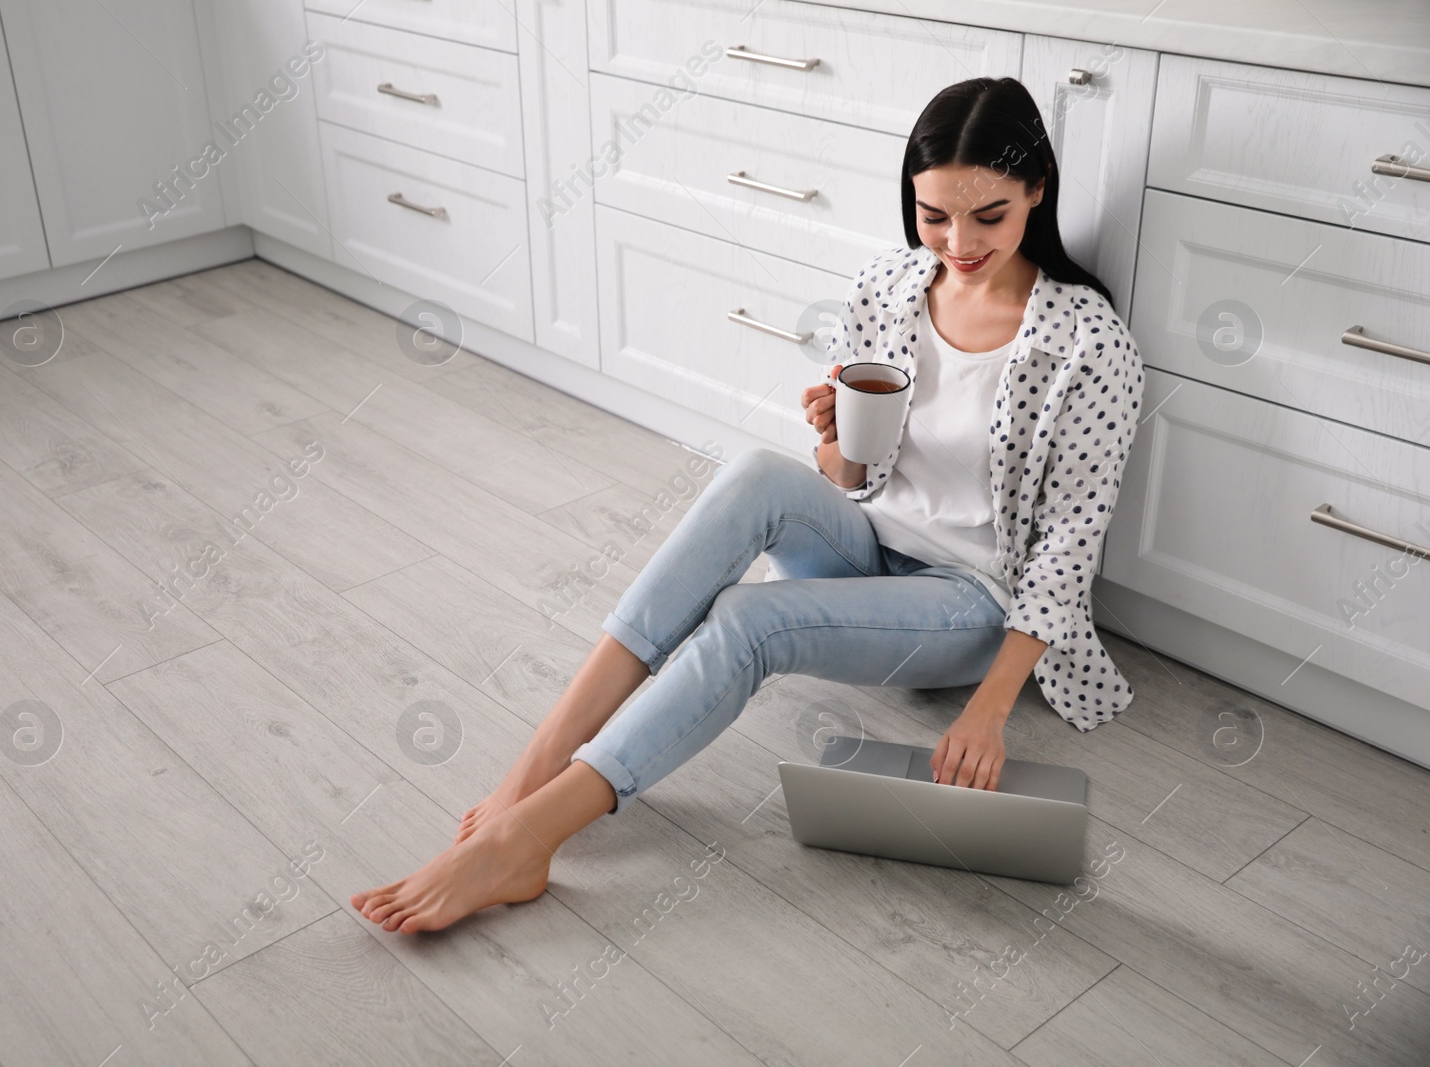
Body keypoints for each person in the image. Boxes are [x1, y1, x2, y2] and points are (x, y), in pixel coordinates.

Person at [352, 76, 1145, 934]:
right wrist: (836, 436)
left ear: (1037, 190)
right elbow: (847, 478)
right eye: (933, 215)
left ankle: (529, 837)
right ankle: (534, 765)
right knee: (756, 473)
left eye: (988, 215)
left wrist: (988, 710)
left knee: (747, 621)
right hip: (870, 541)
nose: (957, 242)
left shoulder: (1086, 341)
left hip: (972, 601)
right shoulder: (888, 284)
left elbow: (1071, 538)